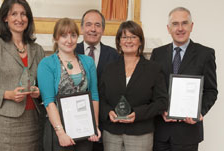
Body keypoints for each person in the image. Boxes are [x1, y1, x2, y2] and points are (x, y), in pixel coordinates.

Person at [0, 0, 45, 151]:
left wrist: (39, 92)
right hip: (5, 123)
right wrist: (8, 94)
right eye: (14, 14)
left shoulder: (37, 49)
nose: (19, 19)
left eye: (23, 14)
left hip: (34, 121)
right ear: (5, 18)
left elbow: (42, 84)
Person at [150, 7, 218, 151]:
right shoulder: (157, 53)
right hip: (161, 132)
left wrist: (199, 112)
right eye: (175, 24)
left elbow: (211, 90)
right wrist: (160, 110)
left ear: (191, 26)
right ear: (168, 28)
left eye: (184, 23)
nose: (180, 28)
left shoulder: (205, 54)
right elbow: (152, 89)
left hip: (188, 134)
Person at [99, 20, 168, 151]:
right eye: (124, 37)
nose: (128, 41)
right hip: (112, 133)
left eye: (133, 37)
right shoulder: (109, 68)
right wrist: (108, 112)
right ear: (119, 41)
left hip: (140, 133)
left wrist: (138, 113)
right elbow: (101, 98)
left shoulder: (153, 69)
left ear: (140, 41)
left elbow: (162, 101)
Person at [37, 18, 101, 151]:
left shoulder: (88, 62)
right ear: (55, 38)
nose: (69, 40)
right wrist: (61, 133)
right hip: (59, 130)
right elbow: (49, 102)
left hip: (84, 130)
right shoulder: (47, 64)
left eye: (73, 35)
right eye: (64, 35)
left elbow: (94, 96)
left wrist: (94, 126)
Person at [75, 9, 119, 151]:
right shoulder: (72, 50)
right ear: (82, 28)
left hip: (106, 122)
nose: (93, 29)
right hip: (76, 120)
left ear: (103, 29)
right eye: (88, 24)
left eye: (97, 25)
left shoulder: (114, 55)